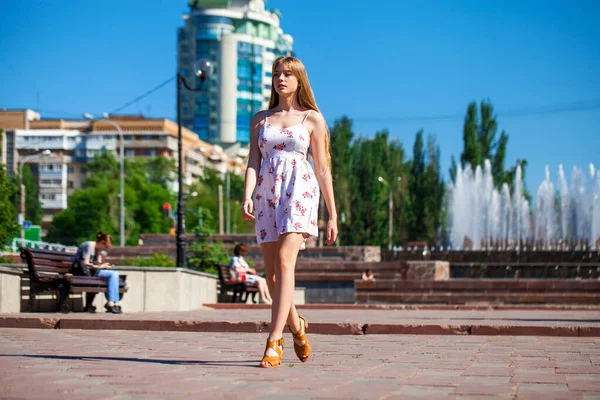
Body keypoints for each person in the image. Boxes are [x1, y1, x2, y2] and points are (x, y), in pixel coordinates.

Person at [242, 56, 338, 368]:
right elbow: (253, 162)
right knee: (271, 276)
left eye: (287, 74)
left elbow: (323, 170)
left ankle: (274, 341)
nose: (281, 78)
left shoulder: (313, 119)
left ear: (299, 80)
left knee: (285, 261)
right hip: (267, 194)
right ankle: (297, 326)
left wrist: (332, 215)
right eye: (276, 74)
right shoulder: (260, 120)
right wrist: (247, 195)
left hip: (300, 191)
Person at [72, 231, 123, 314]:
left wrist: (103, 264)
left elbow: (97, 263)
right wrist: (101, 267)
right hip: (83, 271)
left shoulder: (97, 248)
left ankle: (115, 302)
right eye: (105, 247)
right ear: (102, 242)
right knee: (113, 274)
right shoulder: (88, 245)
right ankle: (111, 302)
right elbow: (86, 264)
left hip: (92, 271)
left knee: (115, 274)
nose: (105, 249)